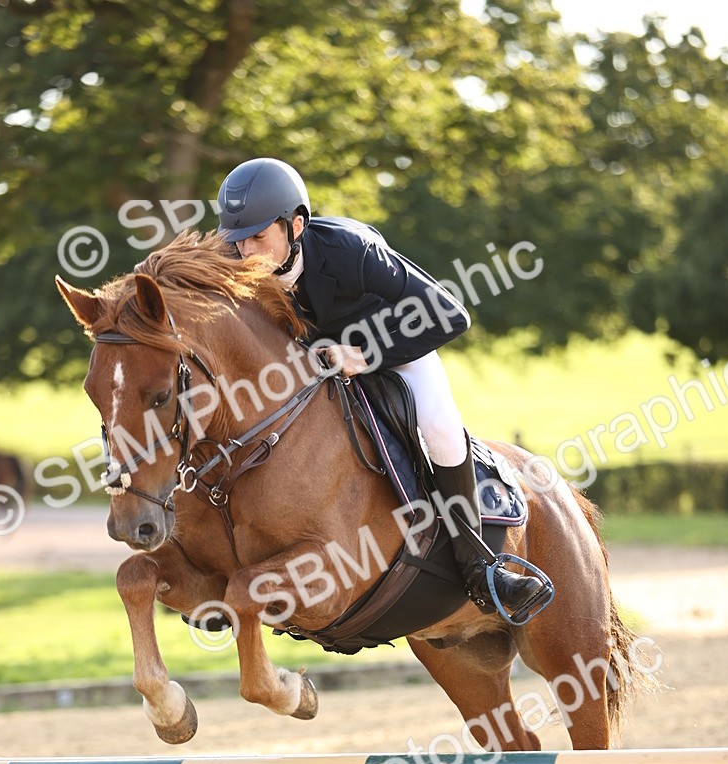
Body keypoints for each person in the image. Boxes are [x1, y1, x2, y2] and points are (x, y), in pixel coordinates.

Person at [216, 157, 545, 616]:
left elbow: (450, 315)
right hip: (315, 363)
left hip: (394, 346)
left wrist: (365, 354)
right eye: (238, 240)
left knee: (440, 427)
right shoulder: (232, 259)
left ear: (295, 226)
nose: (246, 252)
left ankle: (481, 569)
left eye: (258, 237)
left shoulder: (351, 252)